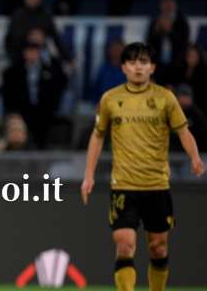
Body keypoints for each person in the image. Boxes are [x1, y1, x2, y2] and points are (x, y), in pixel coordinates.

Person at [80, 42, 205, 291]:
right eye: (133, 62)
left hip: (157, 184)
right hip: (124, 185)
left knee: (158, 247)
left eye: (144, 62)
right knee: (124, 242)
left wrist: (195, 157)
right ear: (124, 67)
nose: (138, 67)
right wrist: (89, 174)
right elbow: (98, 135)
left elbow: (183, 131)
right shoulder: (111, 99)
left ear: (152, 68)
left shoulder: (165, 98)